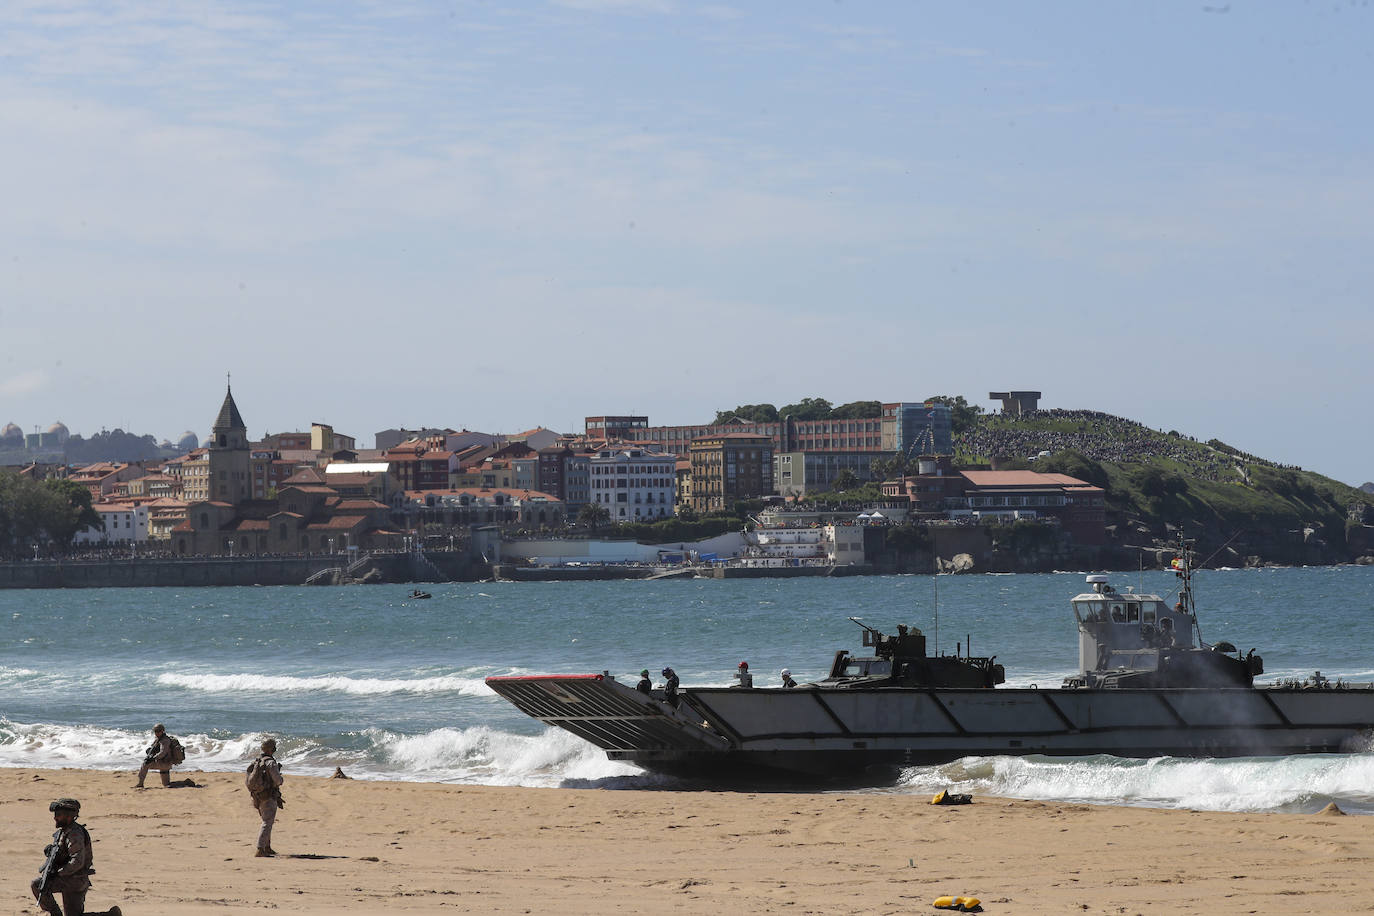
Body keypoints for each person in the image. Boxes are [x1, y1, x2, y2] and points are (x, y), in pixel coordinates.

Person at [31, 797, 122, 916]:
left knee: (37, 885)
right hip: (71, 879)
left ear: (69, 816)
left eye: (59, 815)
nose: (55, 817)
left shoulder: (75, 834)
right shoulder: (64, 832)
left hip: (74, 880)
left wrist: (58, 873)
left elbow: (77, 861)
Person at [248, 738, 285, 857]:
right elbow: (278, 780)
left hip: (257, 796)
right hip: (268, 796)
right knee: (267, 822)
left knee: (267, 821)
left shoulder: (256, 762)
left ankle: (267, 847)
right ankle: (260, 848)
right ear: (271, 749)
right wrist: (281, 779)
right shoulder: (271, 763)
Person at [135, 723, 173, 789]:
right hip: (164, 763)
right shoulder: (158, 739)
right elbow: (152, 748)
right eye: (155, 731)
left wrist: (153, 758)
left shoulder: (164, 740)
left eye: (158, 731)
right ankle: (185, 783)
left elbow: (162, 753)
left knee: (145, 764)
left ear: (162, 731)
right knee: (167, 785)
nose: (157, 733)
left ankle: (140, 784)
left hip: (164, 763)